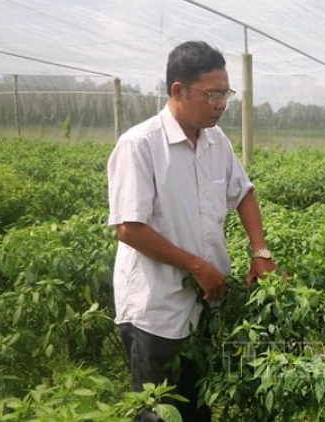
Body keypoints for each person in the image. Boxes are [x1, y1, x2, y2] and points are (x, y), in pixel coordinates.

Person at [107, 40, 276, 421]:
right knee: (156, 412)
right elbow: (129, 228)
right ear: (178, 91)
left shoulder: (217, 141)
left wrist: (260, 251)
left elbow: (244, 193)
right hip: (157, 307)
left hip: (206, 300)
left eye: (225, 93)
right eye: (211, 94)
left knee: (198, 404)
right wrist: (196, 265)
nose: (221, 103)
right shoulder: (140, 144)